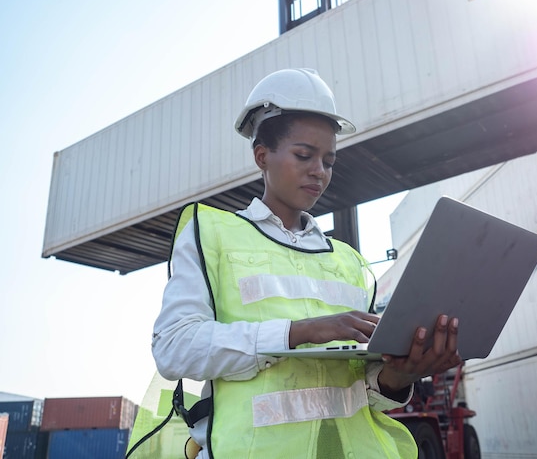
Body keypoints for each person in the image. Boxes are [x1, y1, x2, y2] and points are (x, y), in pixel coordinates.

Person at [151, 68, 461, 459]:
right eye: (304, 155)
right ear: (262, 155)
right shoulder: (212, 234)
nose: (319, 171)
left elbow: (367, 394)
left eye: (329, 160)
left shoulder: (349, 262)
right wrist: (298, 332)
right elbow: (174, 349)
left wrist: (401, 374)